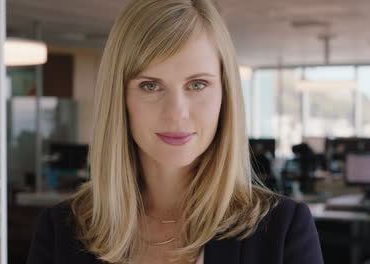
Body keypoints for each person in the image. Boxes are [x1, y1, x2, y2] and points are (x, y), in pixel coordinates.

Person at [26, 0, 323, 263]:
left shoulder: (283, 230)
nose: (176, 113)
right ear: (120, 99)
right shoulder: (61, 229)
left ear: (225, 95)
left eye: (197, 84)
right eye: (150, 85)